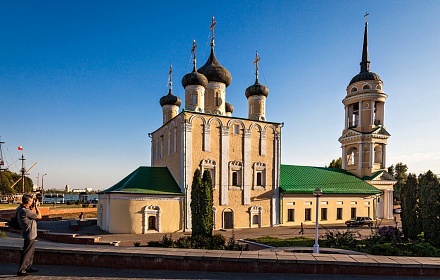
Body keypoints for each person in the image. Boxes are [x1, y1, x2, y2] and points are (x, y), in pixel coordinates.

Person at [16, 193, 42, 276]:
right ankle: (21, 270)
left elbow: (29, 210)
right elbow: (39, 217)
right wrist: (37, 207)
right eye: (31, 201)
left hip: (28, 233)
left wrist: (33, 206)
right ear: (28, 201)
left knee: (30, 252)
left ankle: (28, 267)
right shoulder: (25, 211)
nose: (32, 202)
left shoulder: (20, 209)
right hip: (29, 233)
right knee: (27, 252)